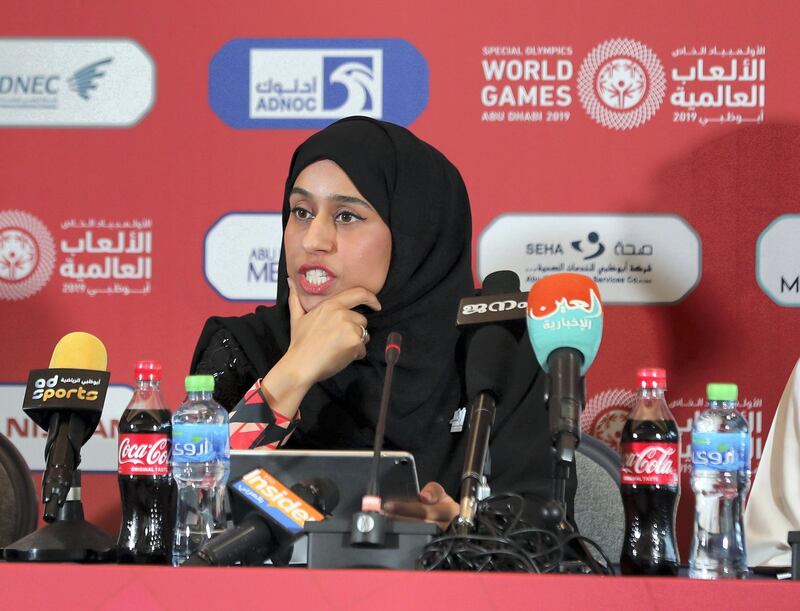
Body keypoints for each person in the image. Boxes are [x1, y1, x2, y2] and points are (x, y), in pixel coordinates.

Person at [191, 116, 571, 529]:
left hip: (448, 591)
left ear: (414, 232)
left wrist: (461, 528)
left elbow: (543, 531)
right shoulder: (244, 348)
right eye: (301, 211)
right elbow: (194, 509)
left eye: (346, 216)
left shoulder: (495, 347)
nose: (312, 239)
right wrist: (294, 371)